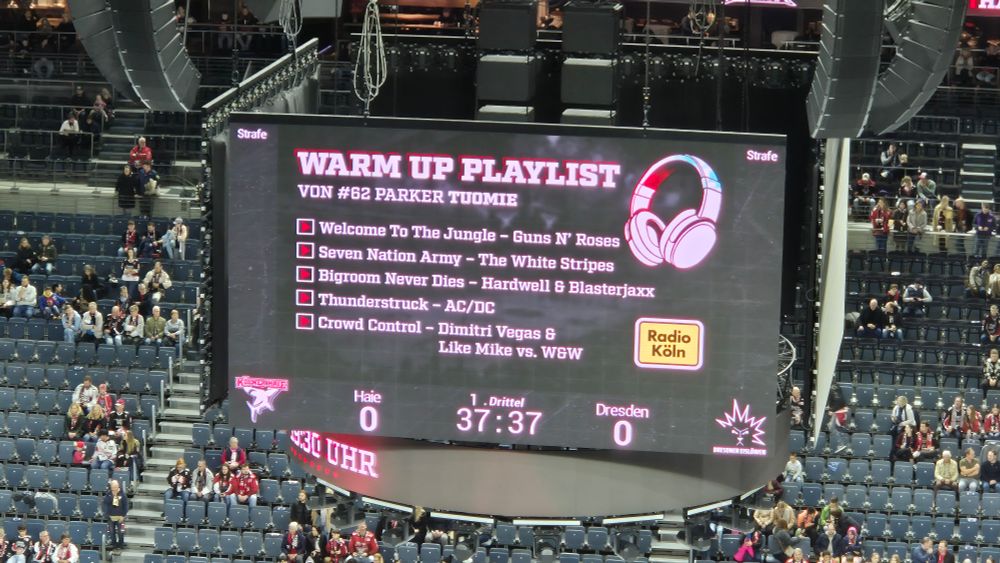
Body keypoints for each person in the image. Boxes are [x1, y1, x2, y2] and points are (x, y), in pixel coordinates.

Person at [104, 479, 128, 553]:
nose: (114, 488)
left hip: (120, 517)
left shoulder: (122, 494)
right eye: (112, 486)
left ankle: (121, 544)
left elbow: (126, 506)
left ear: (118, 486)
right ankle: (113, 544)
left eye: (115, 486)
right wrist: (107, 515)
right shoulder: (108, 494)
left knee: (121, 532)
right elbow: (105, 504)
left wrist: (123, 516)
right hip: (111, 517)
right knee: (111, 532)